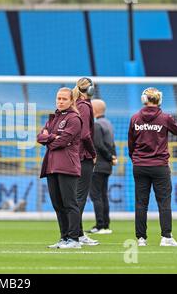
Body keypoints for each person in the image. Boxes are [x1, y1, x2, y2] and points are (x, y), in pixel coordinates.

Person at [128, 87, 177, 247]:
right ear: (159, 100)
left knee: (141, 203)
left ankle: (141, 239)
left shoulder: (135, 118)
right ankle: (166, 237)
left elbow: (130, 143)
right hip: (159, 166)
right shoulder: (165, 118)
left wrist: (135, 159)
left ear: (144, 99)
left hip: (139, 165)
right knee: (164, 202)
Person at [37, 87, 83, 249]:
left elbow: (61, 142)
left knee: (70, 203)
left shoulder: (74, 119)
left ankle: (74, 239)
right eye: (58, 98)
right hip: (51, 165)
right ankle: (64, 237)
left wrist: (50, 139)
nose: (60, 101)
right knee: (58, 204)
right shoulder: (53, 117)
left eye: (64, 99)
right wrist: (51, 137)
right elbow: (39, 137)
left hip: (67, 166)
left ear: (71, 101)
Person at [72, 77, 99, 246]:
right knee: (80, 197)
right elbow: (85, 135)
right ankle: (74, 234)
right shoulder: (85, 106)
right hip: (83, 156)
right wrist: (93, 152)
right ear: (89, 90)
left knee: (76, 196)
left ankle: (78, 233)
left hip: (75, 155)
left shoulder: (76, 104)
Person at [87, 99, 117, 235]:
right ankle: (105, 224)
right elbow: (112, 144)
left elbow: (98, 144)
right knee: (103, 195)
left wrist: (109, 156)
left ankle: (100, 225)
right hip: (107, 166)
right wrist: (113, 157)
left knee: (96, 195)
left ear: (94, 110)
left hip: (98, 164)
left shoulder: (97, 125)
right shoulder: (109, 124)